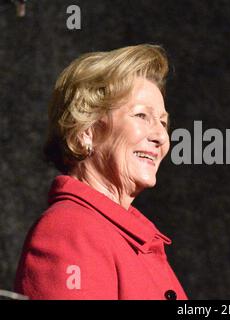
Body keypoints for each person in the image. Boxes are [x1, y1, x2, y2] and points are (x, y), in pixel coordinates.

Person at [14, 44, 188, 300]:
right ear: (86, 131)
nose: (161, 136)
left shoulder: (123, 237)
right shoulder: (69, 232)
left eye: (163, 122)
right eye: (141, 116)